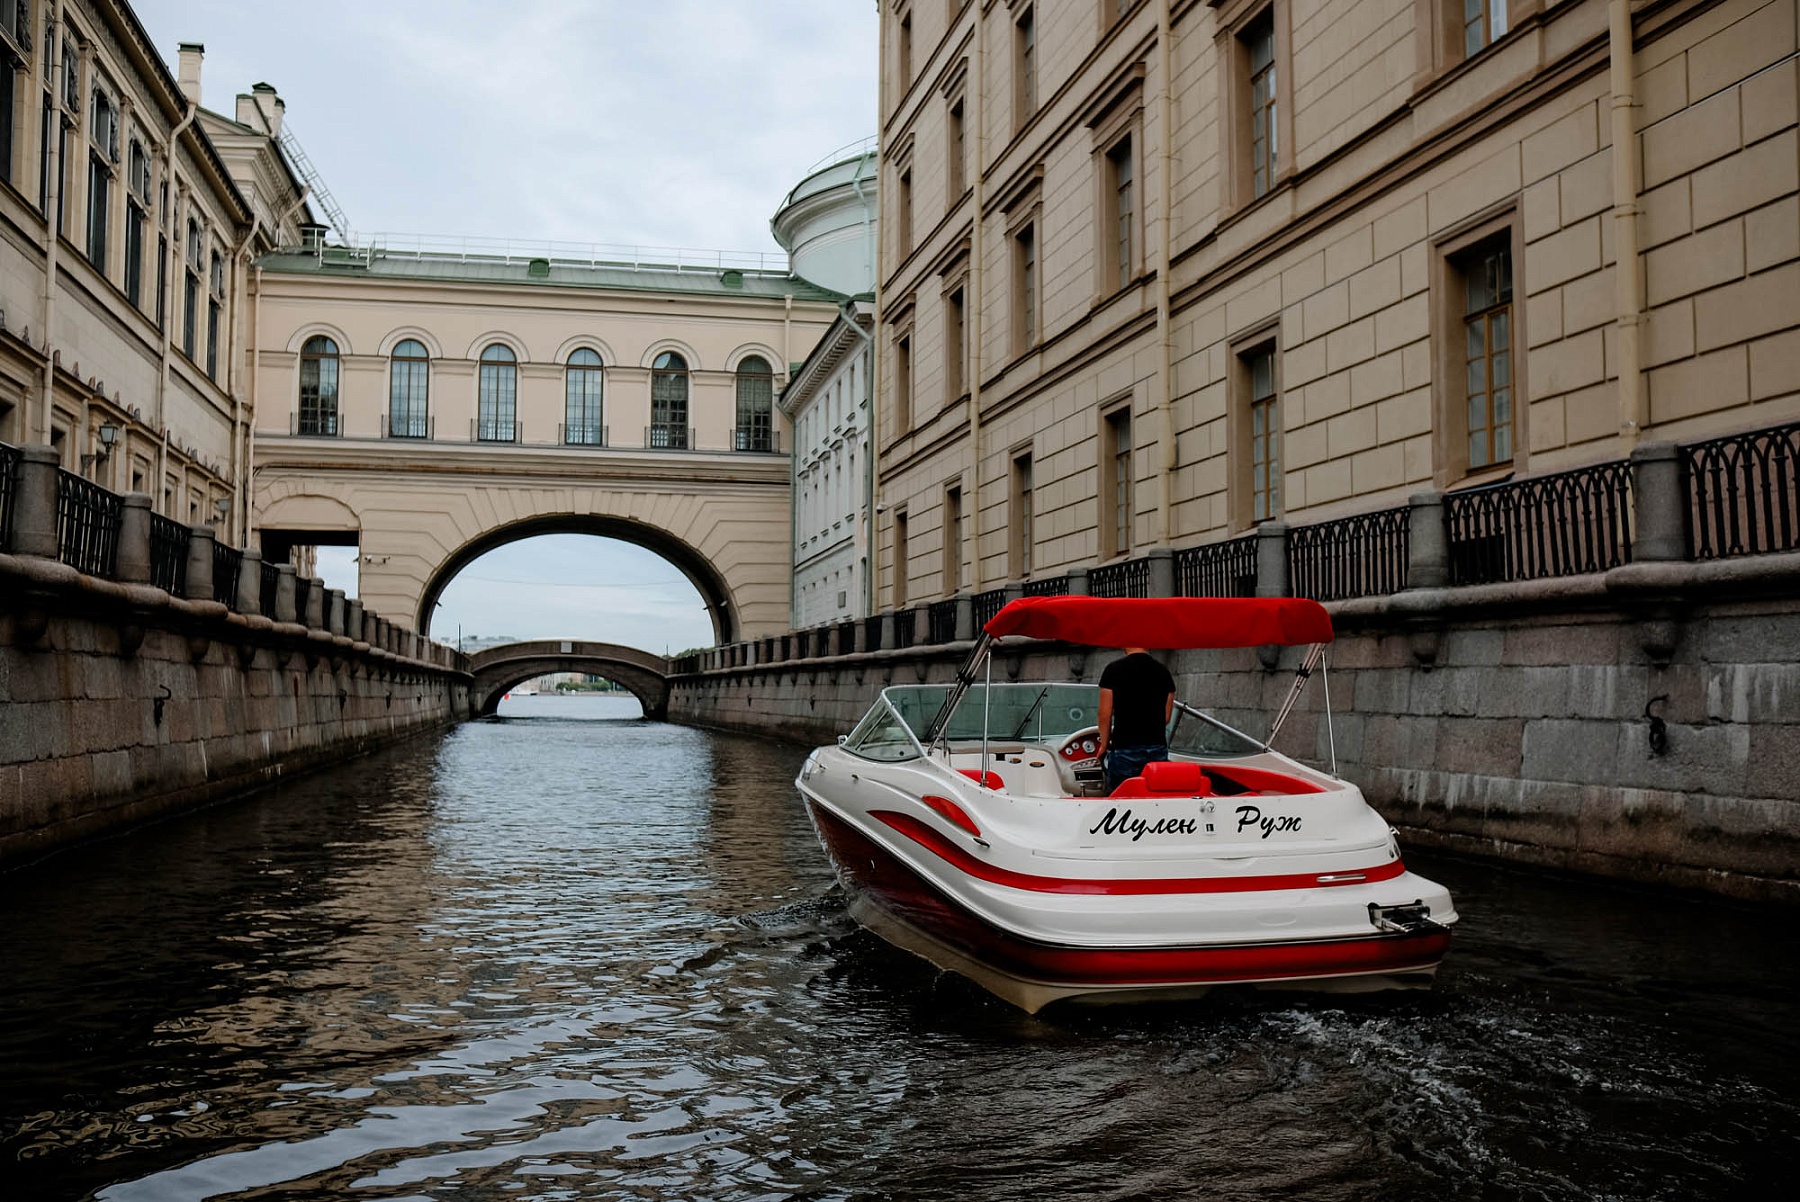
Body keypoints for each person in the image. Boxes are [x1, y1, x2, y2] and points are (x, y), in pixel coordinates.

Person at [1095, 646, 1176, 793]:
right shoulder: (1164, 672)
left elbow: (1104, 714)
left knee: (1122, 797)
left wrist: (1104, 745)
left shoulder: (1113, 670)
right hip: (1157, 748)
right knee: (1153, 797)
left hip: (1124, 748)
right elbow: (1166, 717)